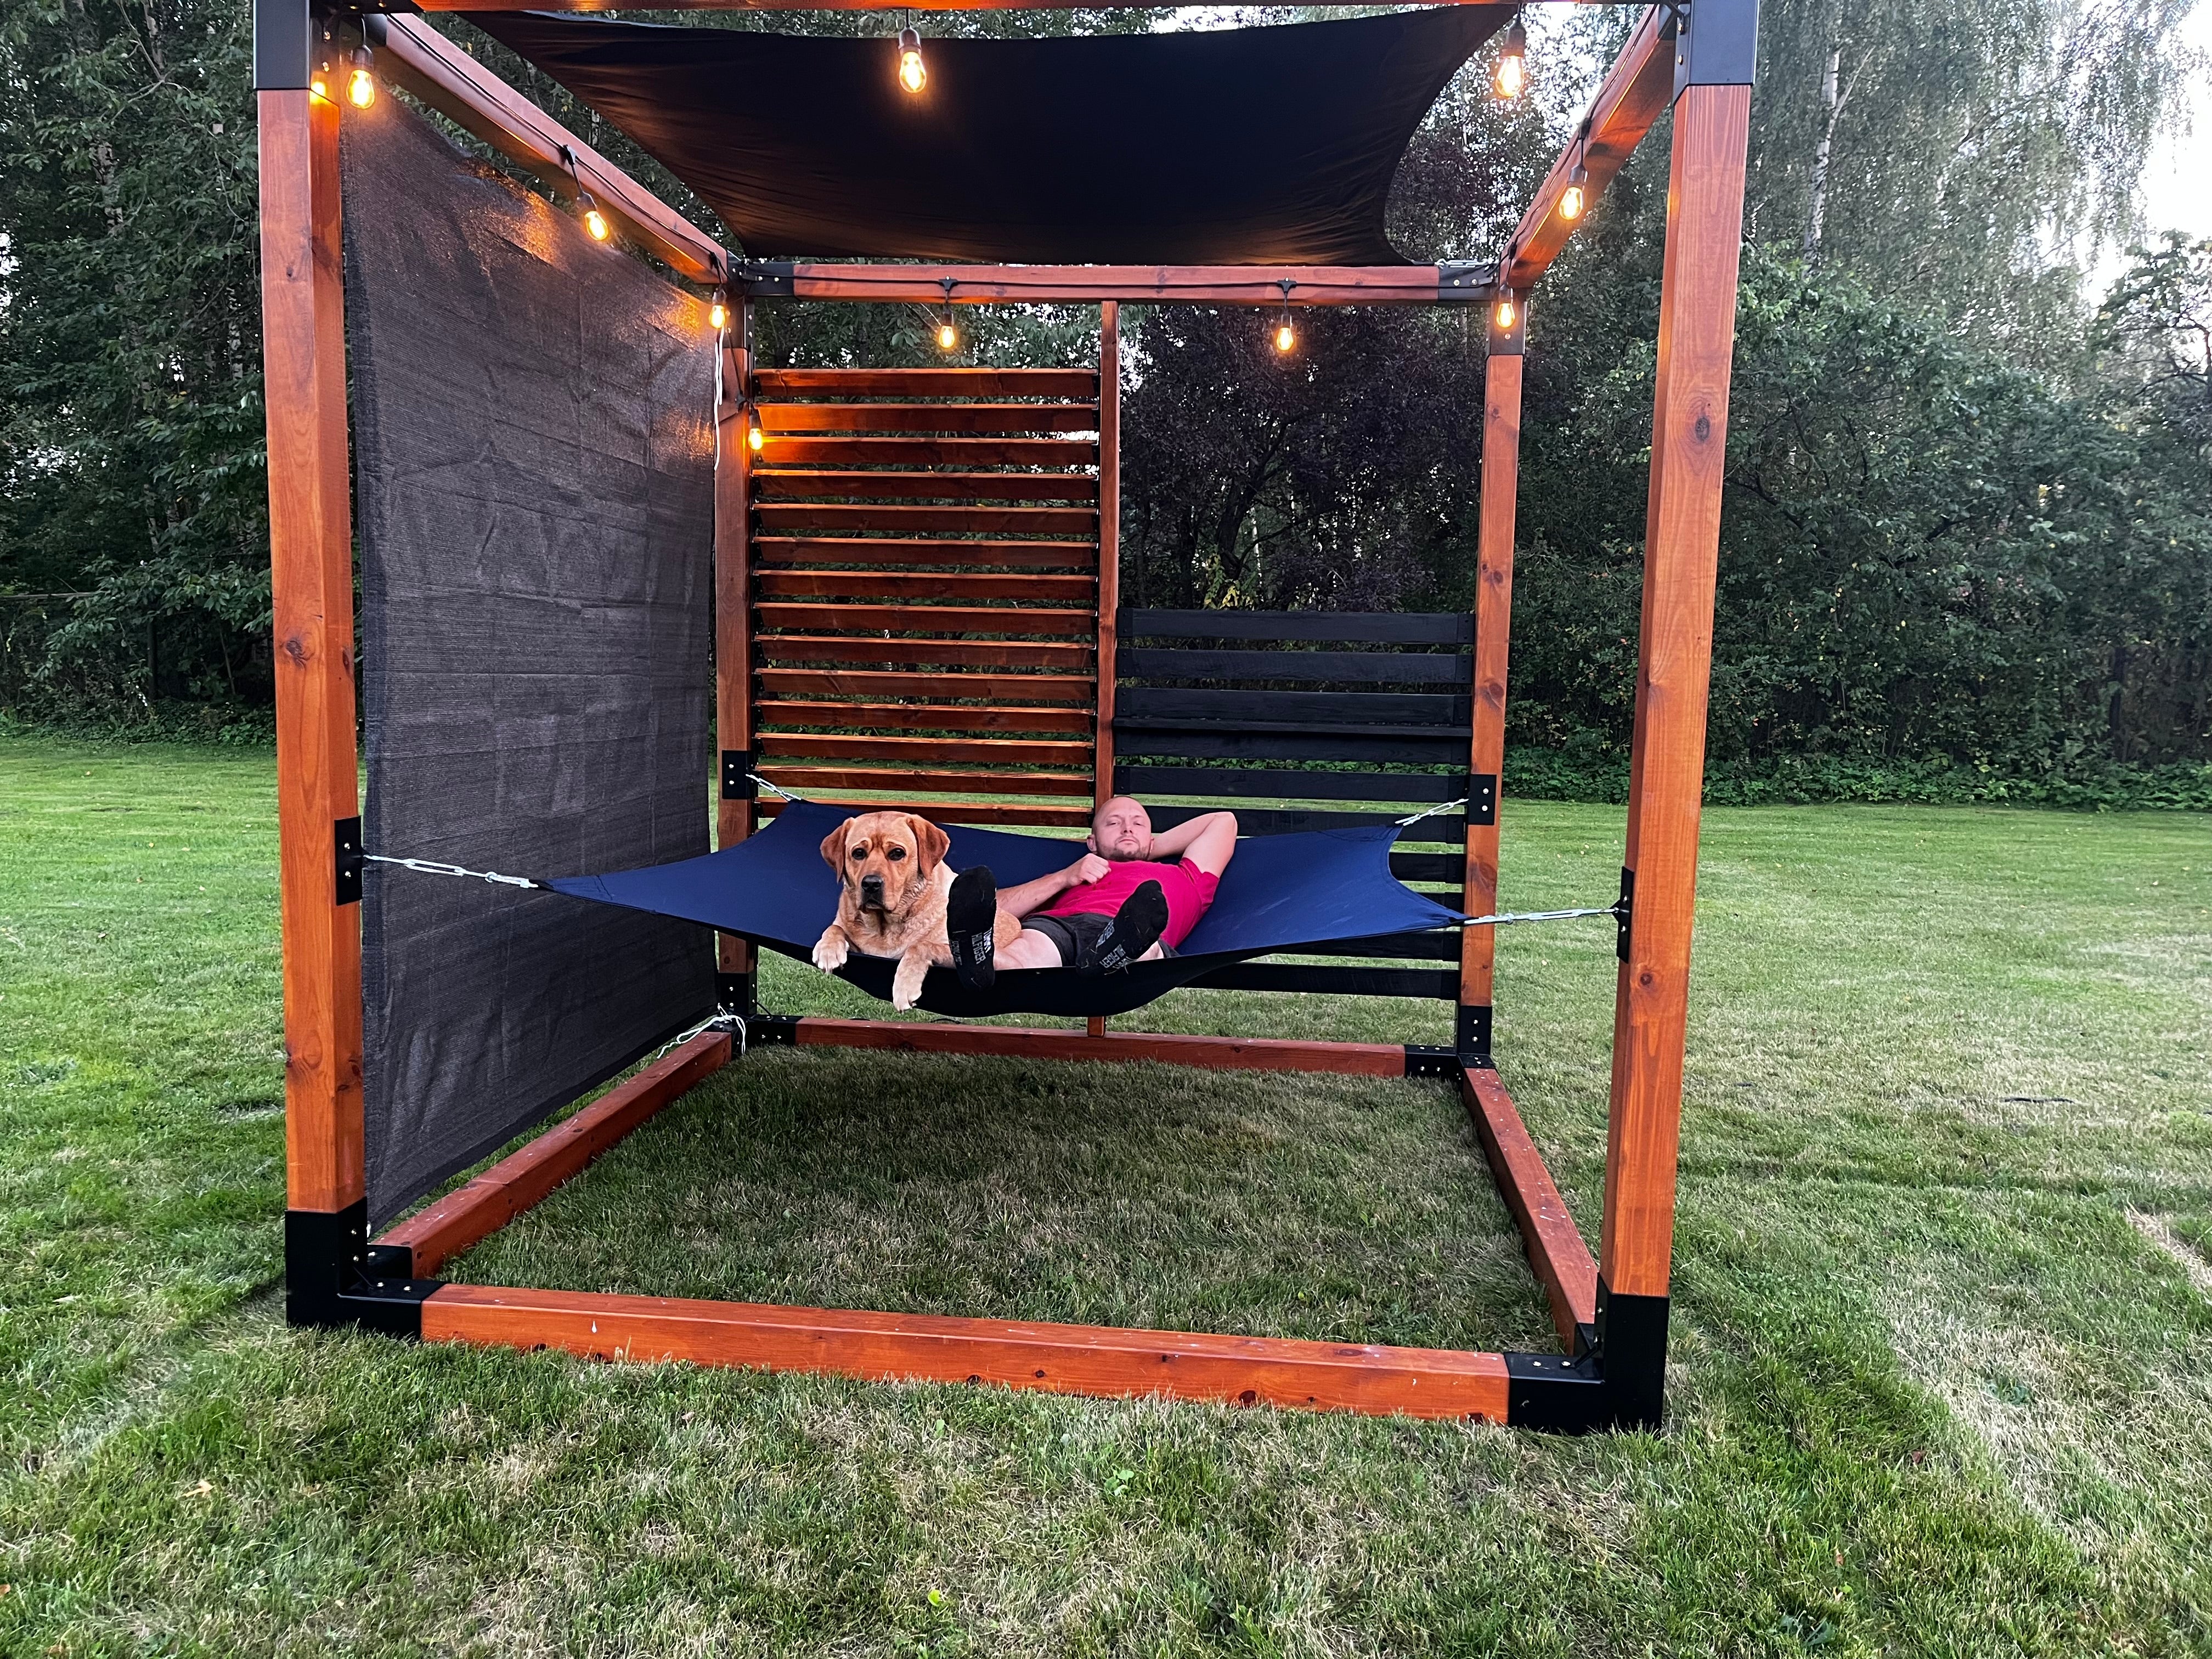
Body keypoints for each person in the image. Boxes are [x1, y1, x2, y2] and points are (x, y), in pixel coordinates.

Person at [944, 798, 1238, 989]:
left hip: (1137, 932)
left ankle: (1116, 952)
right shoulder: (1073, 876)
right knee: (1030, 947)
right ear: (1092, 843)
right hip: (1062, 925)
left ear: (1151, 837)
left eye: (1138, 824)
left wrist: (1148, 848)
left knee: (1144, 935)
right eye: (1113, 823)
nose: (1126, 828)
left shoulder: (1185, 876)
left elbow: (1224, 821)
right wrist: (1063, 877)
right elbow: (995, 909)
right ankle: (982, 963)